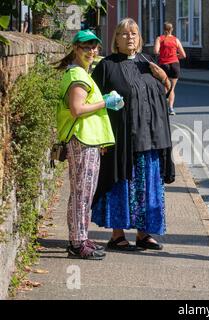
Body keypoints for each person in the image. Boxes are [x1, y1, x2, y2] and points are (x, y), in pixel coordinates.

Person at [91, 18, 175, 252]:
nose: (130, 37)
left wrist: (164, 79)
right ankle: (117, 236)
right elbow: (93, 101)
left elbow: (162, 94)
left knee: (147, 187)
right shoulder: (107, 66)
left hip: (151, 139)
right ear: (116, 39)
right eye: (124, 34)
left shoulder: (147, 62)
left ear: (140, 39)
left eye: (134, 33)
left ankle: (143, 234)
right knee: (122, 185)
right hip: (121, 140)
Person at [55, 30, 124, 260]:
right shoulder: (77, 75)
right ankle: (77, 243)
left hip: (88, 140)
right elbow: (77, 109)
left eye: (95, 47)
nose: (92, 51)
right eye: (86, 47)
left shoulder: (82, 73)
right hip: (81, 140)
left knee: (84, 193)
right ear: (76, 48)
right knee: (81, 194)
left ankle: (81, 237)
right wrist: (106, 102)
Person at [154, 22, 187, 116]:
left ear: (163, 29)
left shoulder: (160, 38)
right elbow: (183, 55)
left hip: (164, 65)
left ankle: (160, 107)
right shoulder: (176, 40)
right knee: (172, 89)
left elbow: (156, 51)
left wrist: (162, 54)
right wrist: (175, 55)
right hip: (175, 65)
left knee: (163, 87)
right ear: (172, 29)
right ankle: (171, 108)